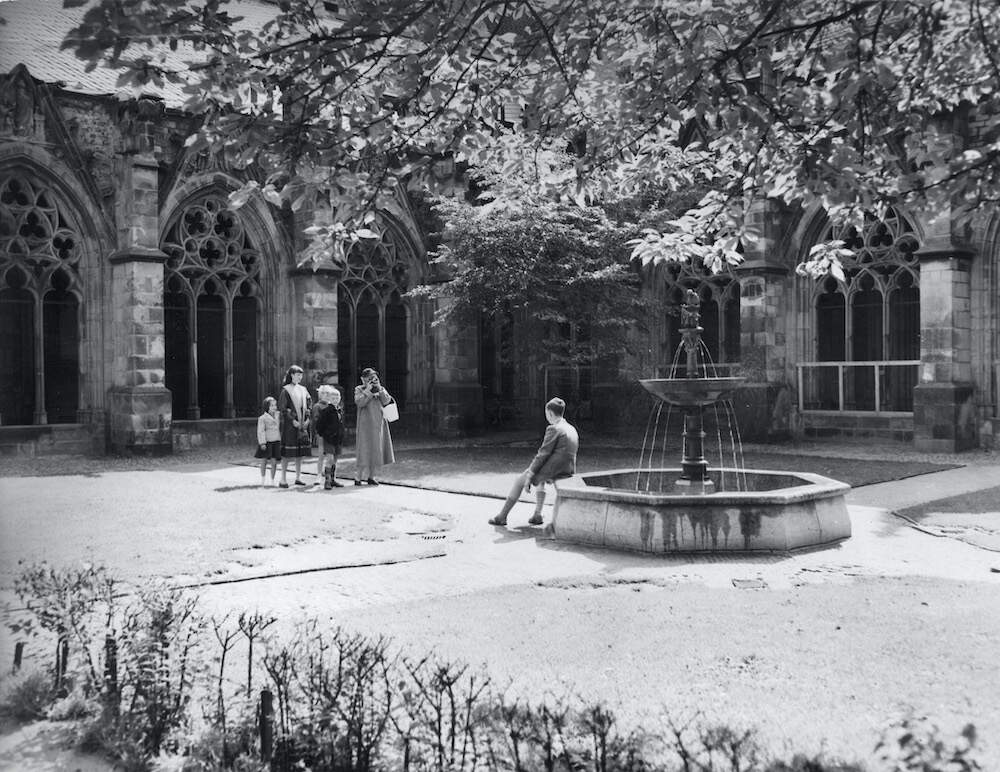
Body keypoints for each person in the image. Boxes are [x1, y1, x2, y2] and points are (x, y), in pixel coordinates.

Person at [488, 397, 579, 527]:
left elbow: (543, 454)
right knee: (541, 479)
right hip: (567, 469)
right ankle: (537, 515)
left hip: (554, 469)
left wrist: (530, 474)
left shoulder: (554, 428)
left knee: (519, 481)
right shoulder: (571, 428)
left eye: (546, 414)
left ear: (550, 413)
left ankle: (502, 517)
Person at [353, 367, 395, 485]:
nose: (371, 380)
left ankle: (371, 476)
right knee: (364, 449)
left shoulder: (380, 388)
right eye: (369, 378)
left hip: (378, 423)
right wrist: (369, 391)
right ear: (363, 379)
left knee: (376, 449)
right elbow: (360, 402)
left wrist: (380, 389)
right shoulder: (359, 389)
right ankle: (358, 477)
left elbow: (386, 401)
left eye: (374, 378)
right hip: (365, 425)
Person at [277, 364, 312, 488]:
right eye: (298, 375)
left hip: (303, 425)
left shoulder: (303, 389)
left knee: (300, 453)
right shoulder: (286, 390)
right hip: (290, 426)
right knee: (287, 453)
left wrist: (307, 419)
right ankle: (283, 479)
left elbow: (309, 405)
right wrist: (292, 420)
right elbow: (283, 408)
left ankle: (298, 477)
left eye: (301, 375)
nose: (300, 377)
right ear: (291, 375)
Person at [314, 384, 345, 489]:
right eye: (333, 398)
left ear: (340, 399)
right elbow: (319, 425)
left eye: (337, 398)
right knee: (329, 458)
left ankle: (333, 479)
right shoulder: (326, 411)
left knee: (335, 459)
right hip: (329, 439)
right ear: (330, 399)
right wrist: (325, 434)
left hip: (338, 439)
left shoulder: (339, 410)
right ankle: (327, 480)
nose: (335, 400)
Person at [254, 396, 281, 486]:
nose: (274, 407)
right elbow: (260, 431)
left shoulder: (277, 416)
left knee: (274, 462)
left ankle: (272, 480)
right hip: (267, 441)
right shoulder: (262, 418)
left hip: (276, 440)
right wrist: (262, 442)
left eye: (275, 405)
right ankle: (263, 479)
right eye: (272, 405)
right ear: (267, 407)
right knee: (264, 461)